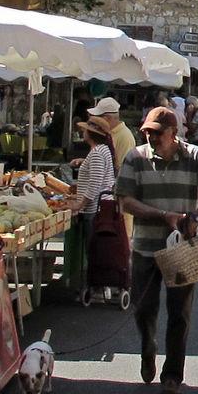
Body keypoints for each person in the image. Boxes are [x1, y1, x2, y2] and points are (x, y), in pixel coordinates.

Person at [117, 107, 198, 394]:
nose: (150, 136)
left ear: (173, 133)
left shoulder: (195, 157)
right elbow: (125, 200)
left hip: (182, 249)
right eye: (147, 132)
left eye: (156, 132)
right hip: (145, 247)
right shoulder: (136, 158)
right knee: (143, 309)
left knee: (179, 313)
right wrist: (162, 214)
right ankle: (148, 347)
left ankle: (172, 375)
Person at [64, 115, 122, 301]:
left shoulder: (97, 153)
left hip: (94, 210)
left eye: (85, 129)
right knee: (98, 249)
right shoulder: (102, 150)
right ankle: (99, 284)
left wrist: (79, 204)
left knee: (94, 250)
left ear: (91, 133)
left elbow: (95, 184)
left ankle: (96, 286)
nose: (82, 131)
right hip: (101, 207)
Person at [88, 96, 136, 166]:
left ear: (106, 118)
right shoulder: (108, 132)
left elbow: (122, 168)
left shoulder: (125, 137)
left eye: (98, 116)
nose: (96, 119)